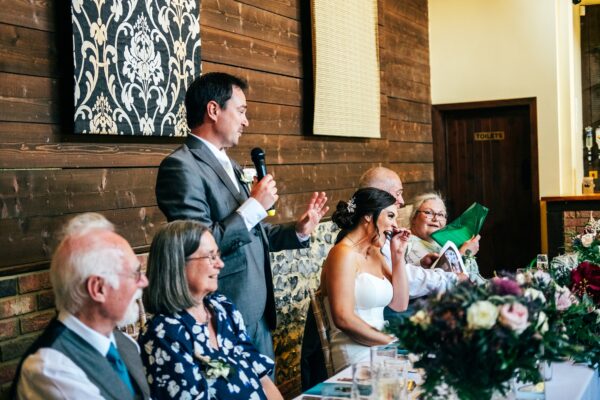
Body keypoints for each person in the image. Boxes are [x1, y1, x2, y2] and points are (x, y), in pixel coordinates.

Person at [155, 72, 328, 361]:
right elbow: (197, 248)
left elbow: (254, 233)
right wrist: (254, 206)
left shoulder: (231, 165)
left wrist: (298, 230)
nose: (246, 121)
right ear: (213, 110)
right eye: (241, 111)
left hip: (258, 311)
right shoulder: (180, 167)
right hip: (222, 310)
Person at [139, 220, 283, 399]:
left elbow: (262, 378)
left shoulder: (221, 308)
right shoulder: (164, 334)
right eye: (211, 256)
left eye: (218, 255)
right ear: (178, 263)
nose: (220, 264)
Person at [12, 216, 150, 400]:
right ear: (98, 288)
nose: (144, 281)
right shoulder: (50, 368)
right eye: (135, 273)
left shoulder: (124, 343)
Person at [320, 188, 410, 372]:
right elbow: (343, 318)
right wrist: (392, 342)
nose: (395, 225)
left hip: (382, 346)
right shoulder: (342, 253)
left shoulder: (375, 253)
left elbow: (400, 304)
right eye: (391, 216)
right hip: (356, 353)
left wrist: (397, 255)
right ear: (368, 216)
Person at [407, 192, 485, 284]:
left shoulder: (443, 242)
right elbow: (434, 281)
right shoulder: (406, 244)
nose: (435, 219)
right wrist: (464, 253)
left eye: (440, 215)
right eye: (428, 212)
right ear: (413, 218)